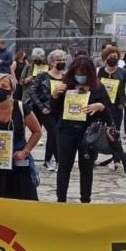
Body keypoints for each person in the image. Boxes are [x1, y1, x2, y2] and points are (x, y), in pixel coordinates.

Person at [53, 56, 112, 203]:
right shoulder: (65, 86)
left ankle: (85, 199)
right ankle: (61, 199)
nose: (80, 76)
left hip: (88, 134)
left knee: (86, 168)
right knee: (64, 166)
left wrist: (100, 107)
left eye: (84, 73)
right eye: (78, 73)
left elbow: (109, 113)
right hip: (66, 132)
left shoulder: (98, 88)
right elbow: (53, 110)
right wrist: (54, 95)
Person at [96, 46, 126, 170]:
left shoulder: (122, 72)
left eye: (115, 57)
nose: (112, 59)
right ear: (105, 58)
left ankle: (117, 159)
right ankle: (92, 157)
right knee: (96, 131)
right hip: (100, 106)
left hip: (116, 107)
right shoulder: (99, 71)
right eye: (110, 57)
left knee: (114, 132)